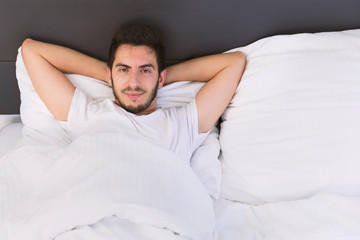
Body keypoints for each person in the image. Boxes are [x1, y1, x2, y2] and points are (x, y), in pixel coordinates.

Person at [21, 23, 246, 162]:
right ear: (110, 75)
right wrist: (114, 75)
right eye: (124, 69)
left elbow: (234, 63)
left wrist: (157, 79)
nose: (134, 82)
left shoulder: (182, 125)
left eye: (145, 70)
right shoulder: (87, 115)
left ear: (161, 77)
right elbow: (31, 51)